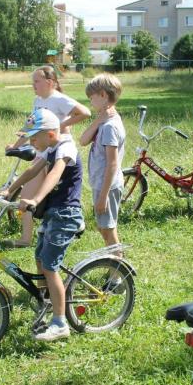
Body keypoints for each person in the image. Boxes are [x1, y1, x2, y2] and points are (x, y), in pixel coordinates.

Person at [1, 108, 84, 341]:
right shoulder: (50, 148)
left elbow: (55, 174)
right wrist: (8, 190)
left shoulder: (65, 148)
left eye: (34, 137)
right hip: (52, 213)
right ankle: (46, 302)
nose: (31, 142)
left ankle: (60, 323)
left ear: (50, 134)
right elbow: (32, 171)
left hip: (66, 214)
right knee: (39, 258)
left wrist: (35, 200)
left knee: (49, 266)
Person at [6, 65, 90, 248]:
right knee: (28, 193)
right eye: (32, 81)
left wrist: (60, 126)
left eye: (37, 81)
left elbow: (85, 112)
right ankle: (26, 238)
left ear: (50, 82)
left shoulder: (59, 99)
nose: (33, 85)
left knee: (60, 190)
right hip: (43, 150)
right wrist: (15, 146)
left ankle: (74, 220)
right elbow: (31, 127)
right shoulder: (37, 100)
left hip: (57, 149)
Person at [80, 73, 125, 259]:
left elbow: (112, 163)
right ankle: (116, 264)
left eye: (91, 98)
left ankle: (118, 269)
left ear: (103, 95)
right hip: (101, 183)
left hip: (108, 186)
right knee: (104, 227)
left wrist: (103, 196)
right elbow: (83, 140)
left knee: (107, 229)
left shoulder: (109, 127)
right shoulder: (103, 121)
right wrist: (98, 119)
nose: (90, 102)